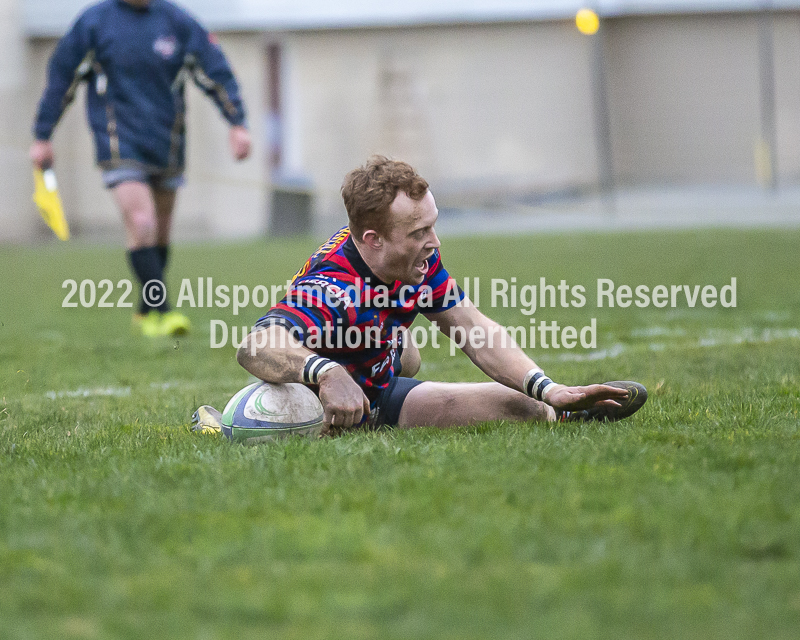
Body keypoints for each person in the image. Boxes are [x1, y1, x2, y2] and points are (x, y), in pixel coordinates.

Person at [236, 156, 647, 433]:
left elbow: (473, 328)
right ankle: (225, 419)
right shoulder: (333, 287)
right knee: (517, 409)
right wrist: (325, 373)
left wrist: (547, 388)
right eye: (418, 233)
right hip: (325, 399)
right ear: (373, 239)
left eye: (432, 225)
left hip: (376, 381)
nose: (434, 242)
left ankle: (564, 407)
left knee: (521, 402)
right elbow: (255, 345)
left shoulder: (415, 261)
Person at [30, 0, 252, 337]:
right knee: (142, 222)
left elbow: (215, 71)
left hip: (168, 142)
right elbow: (62, 79)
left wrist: (237, 122)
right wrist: (43, 135)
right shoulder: (94, 23)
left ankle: (143, 312)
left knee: (159, 233)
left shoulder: (178, 22)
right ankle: (164, 312)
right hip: (119, 142)